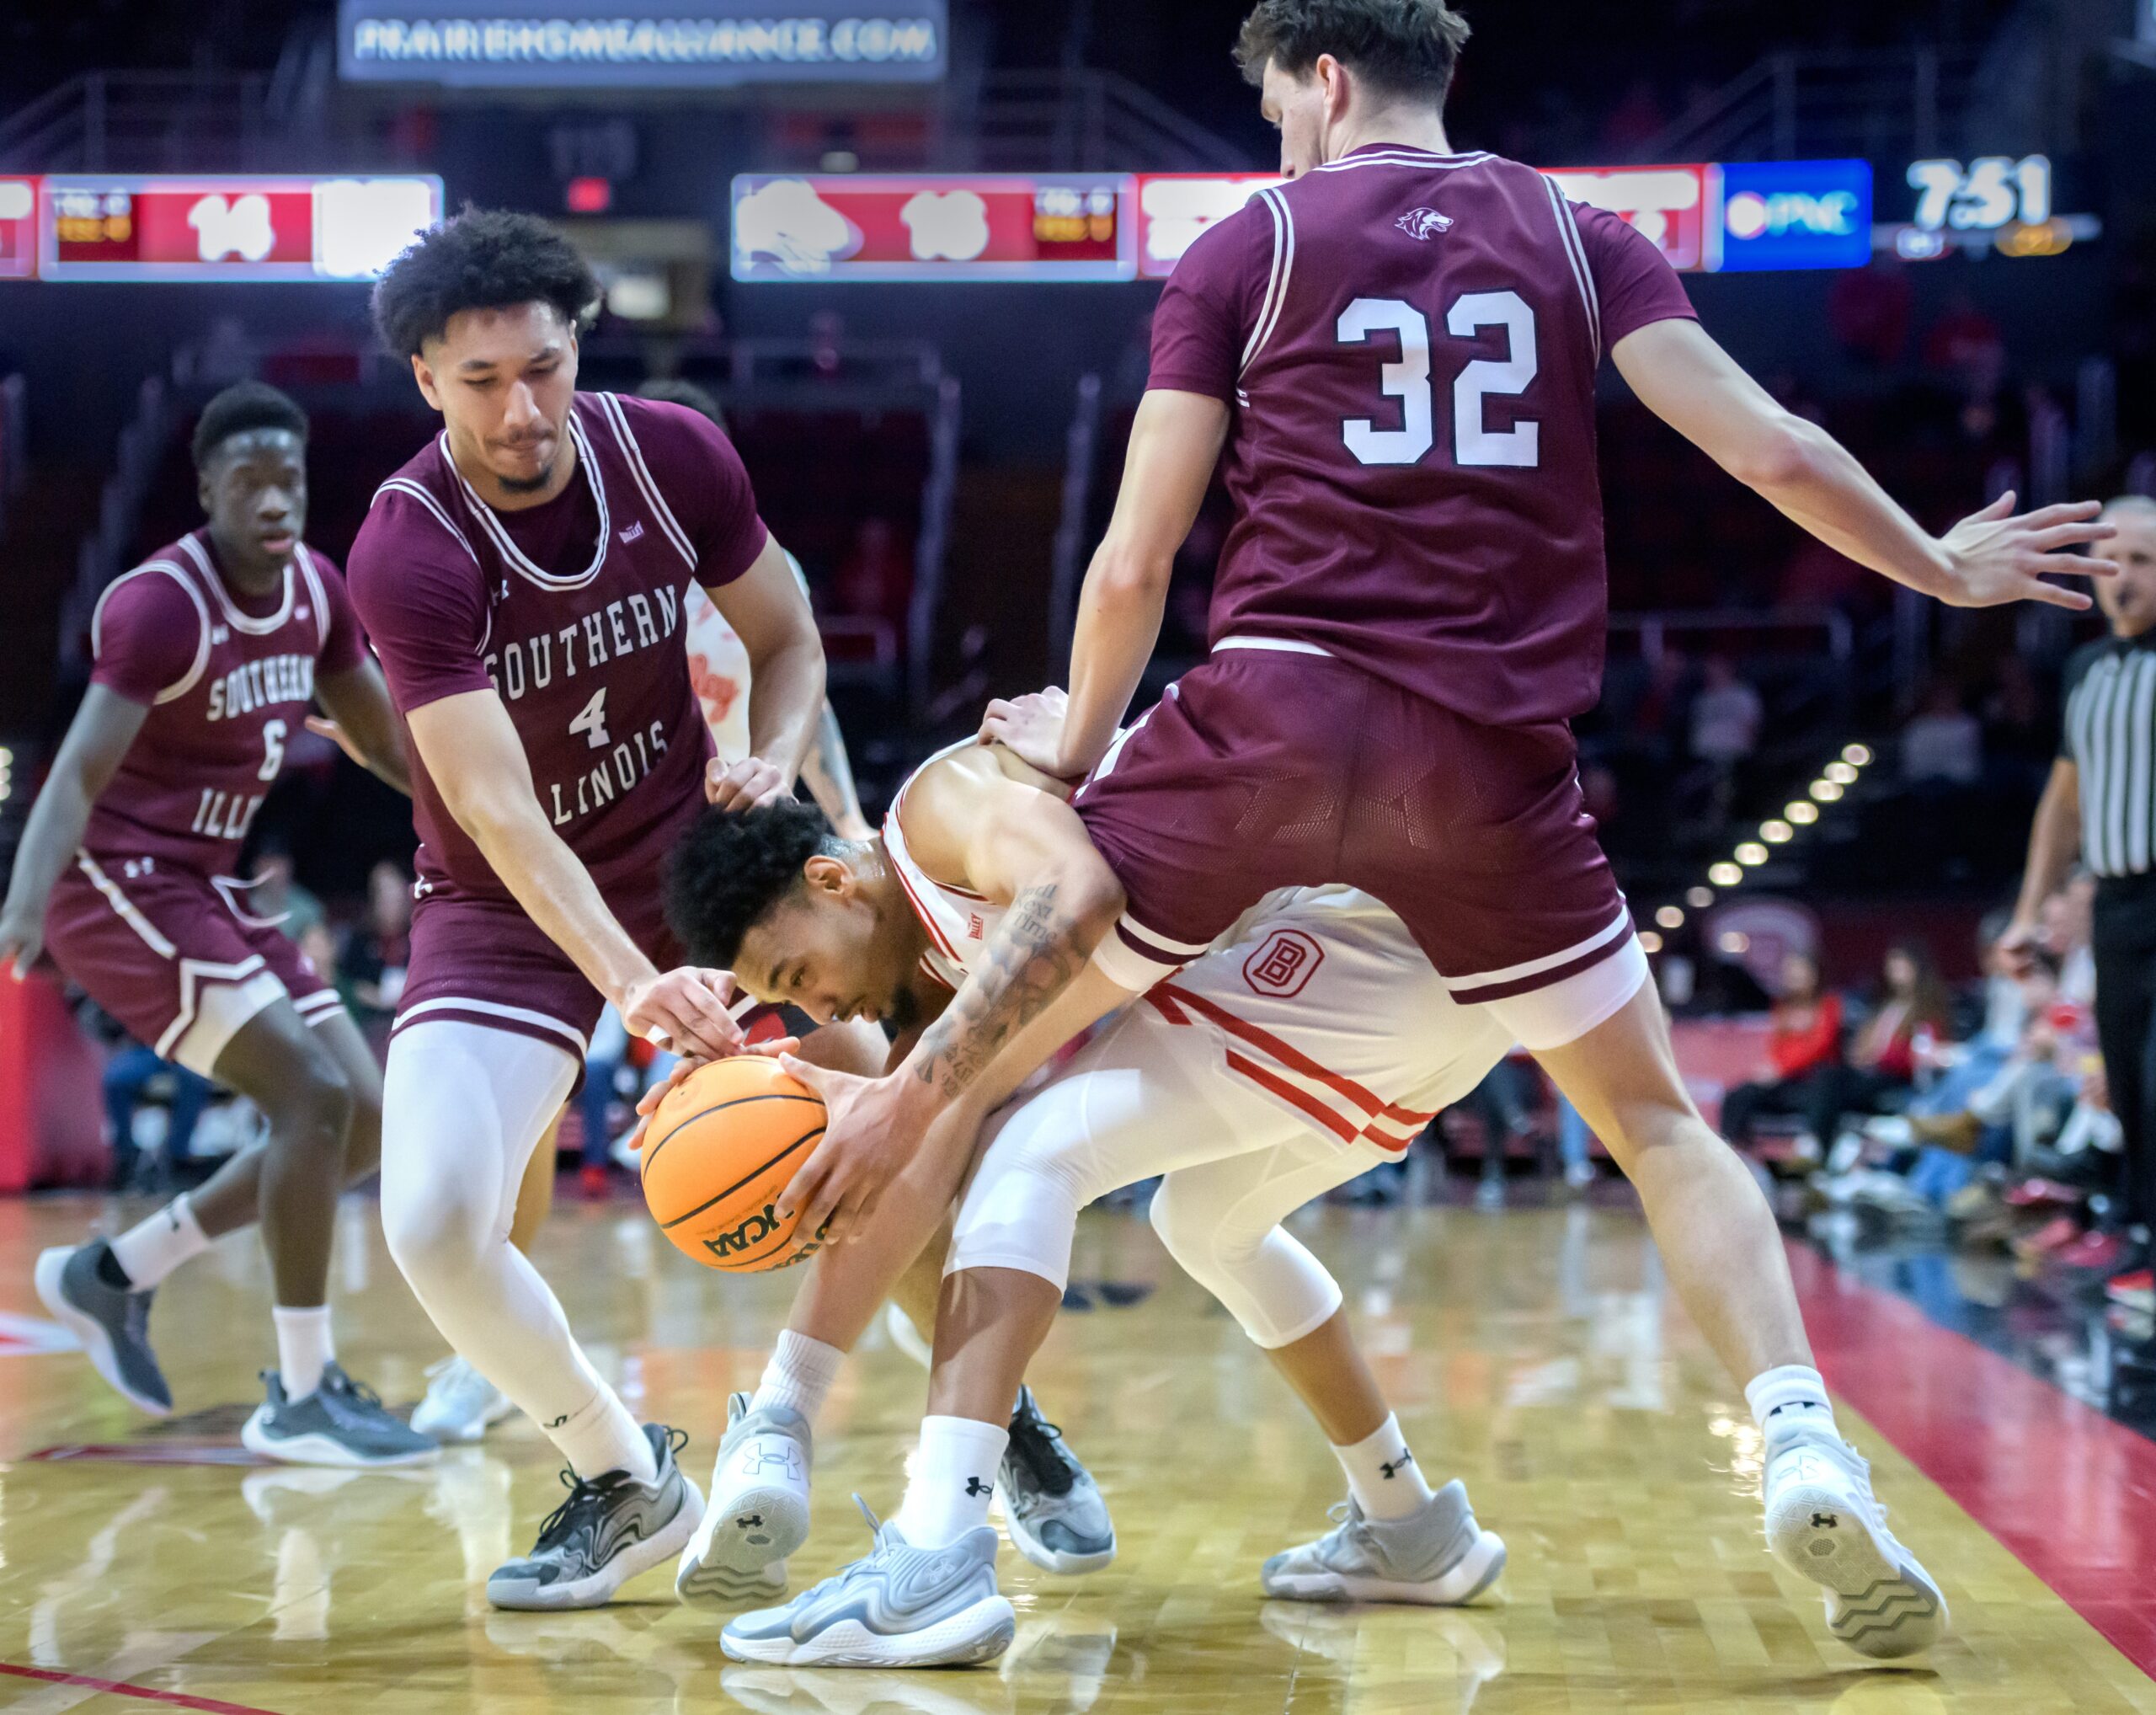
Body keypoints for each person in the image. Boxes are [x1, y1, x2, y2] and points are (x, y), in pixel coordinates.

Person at [771, 1, 2117, 1664]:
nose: (1274, 136)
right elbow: (1764, 447)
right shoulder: (1578, 233)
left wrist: (1083, 731)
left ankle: (929, 1542)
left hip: (1269, 720)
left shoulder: (1249, 241)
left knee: (1012, 1096)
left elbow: (1130, 563)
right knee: (1658, 1129)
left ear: (1320, 80)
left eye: (1275, 104)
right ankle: (1798, 1439)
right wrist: (1935, 561)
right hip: (1486, 761)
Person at [660, 731, 1512, 1667]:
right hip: (1439, 986)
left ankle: (933, 1554)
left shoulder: (935, 816)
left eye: (796, 976)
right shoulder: (931, 974)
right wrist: (785, 1407)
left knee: (1025, 1159)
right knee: (1208, 1226)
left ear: (831, 881)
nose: (820, 1009)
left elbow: (1080, 893)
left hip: (1358, 929)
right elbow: (913, 1163)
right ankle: (1411, 1523)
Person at [347, 206, 834, 1609]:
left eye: (545, 369)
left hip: (697, 849)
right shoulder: (408, 547)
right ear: (429, 381)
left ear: (581, 348)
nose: (522, 409)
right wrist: (629, 982)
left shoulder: (669, 450)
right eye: (484, 381)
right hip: (504, 903)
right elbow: (498, 812)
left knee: (901, 1100)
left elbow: (788, 634)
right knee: (436, 1220)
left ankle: (1001, 1437)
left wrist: (778, 754)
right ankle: (628, 1475)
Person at [405, 372, 883, 1438]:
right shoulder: (554, 571)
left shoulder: (752, 568)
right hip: (567, 866)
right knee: (518, 1126)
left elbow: (810, 698)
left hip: (712, 850)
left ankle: (914, 1283)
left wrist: (834, 819)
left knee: (864, 1051)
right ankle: (489, 1357)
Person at [3, 382, 434, 1467]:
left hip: (209, 882)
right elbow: (74, 776)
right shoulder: (162, 606)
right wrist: (20, 897)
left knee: (365, 1114)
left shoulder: (317, 593)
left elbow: (385, 743)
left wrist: (481, 815)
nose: (275, 498)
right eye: (248, 480)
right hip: (114, 884)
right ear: (207, 491)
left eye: (288, 476)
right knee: (312, 1093)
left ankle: (116, 1274)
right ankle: (298, 1391)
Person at [2003, 495, 2156, 1307]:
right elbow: (2063, 804)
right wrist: (2033, 909)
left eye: (2143, 562)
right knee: (2126, 1078)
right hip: (2120, 906)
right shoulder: (2087, 671)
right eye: (2112, 561)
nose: (2123, 578)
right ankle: (2134, 1227)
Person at [1716, 952, 1842, 1149]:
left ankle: (1813, 1152)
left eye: (1799, 973)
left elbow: (1819, 1047)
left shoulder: (1828, 1005)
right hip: (1783, 1082)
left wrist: (1782, 1068)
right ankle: (1729, 1151)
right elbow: (1777, 1046)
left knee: (1823, 1084)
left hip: (1814, 1085)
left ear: (1814, 975)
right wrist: (1772, 1069)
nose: (1794, 978)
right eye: (1790, 973)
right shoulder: (1783, 1007)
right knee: (1738, 1095)